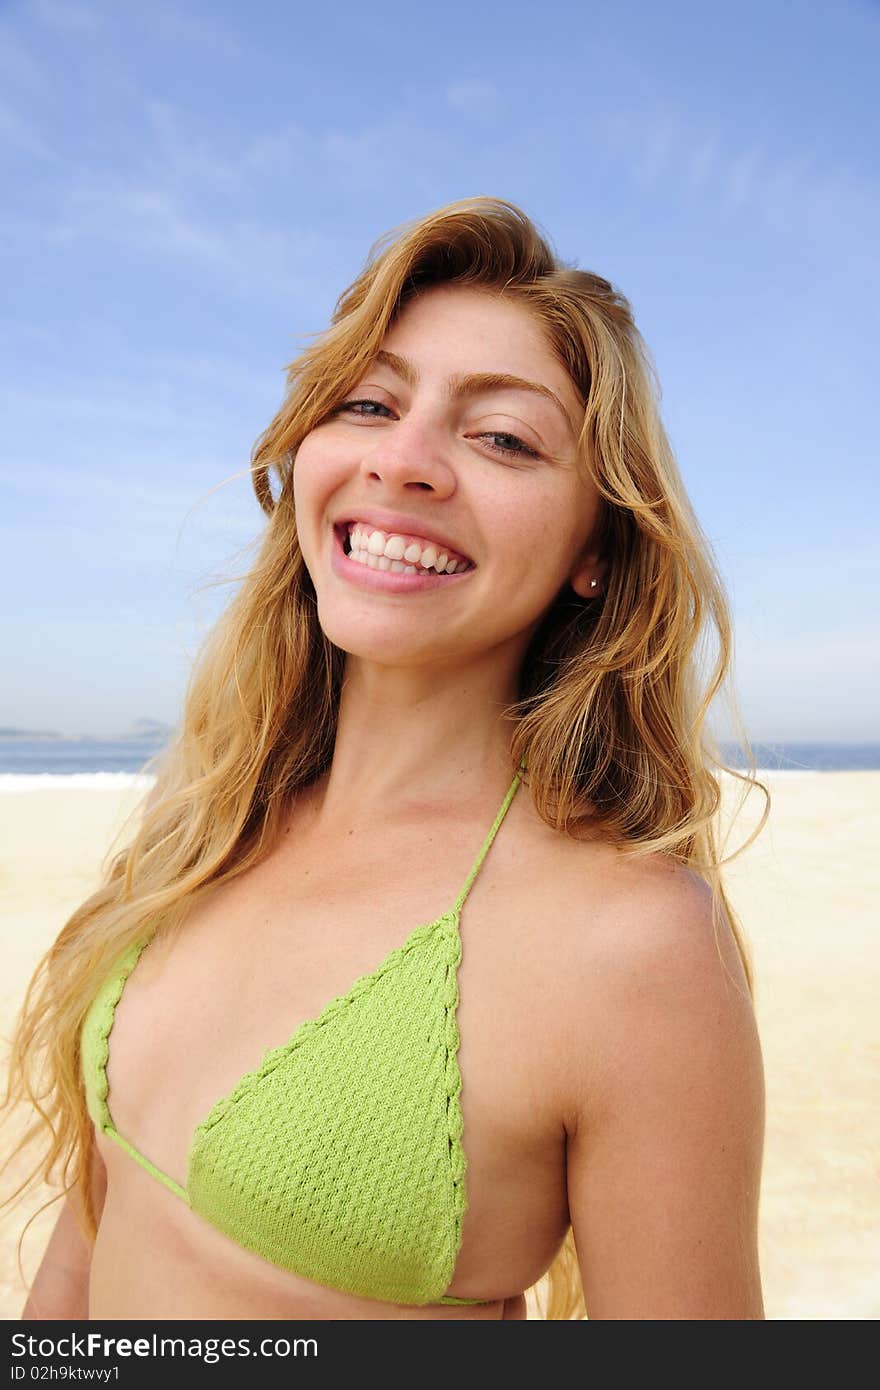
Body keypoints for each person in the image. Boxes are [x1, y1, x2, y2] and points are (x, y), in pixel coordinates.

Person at [3, 195, 768, 1321]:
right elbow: (89, 1245)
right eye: (369, 403)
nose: (403, 462)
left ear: (593, 553)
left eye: (502, 436)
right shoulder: (212, 819)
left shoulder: (631, 947)